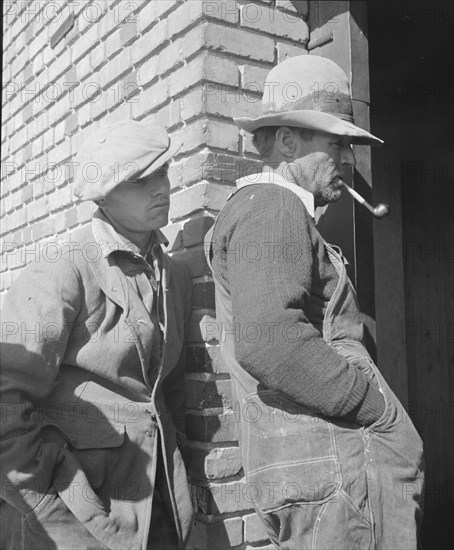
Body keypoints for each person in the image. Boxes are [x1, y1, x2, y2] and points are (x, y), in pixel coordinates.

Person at [205, 55, 424, 548]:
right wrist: (377, 408)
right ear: (287, 141)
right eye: (336, 144)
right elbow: (271, 343)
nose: (348, 159)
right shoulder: (275, 208)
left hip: (324, 474)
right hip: (340, 475)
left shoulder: (271, 212)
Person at [0, 119, 194, 549]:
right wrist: (51, 514)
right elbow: (5, 401)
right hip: (73, 516)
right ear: (102, 195)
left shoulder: (175, 274)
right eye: (141, 180)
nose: (161, 186)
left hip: (157, 509)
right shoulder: (62, 268)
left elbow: (169, 394)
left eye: (163, 171)